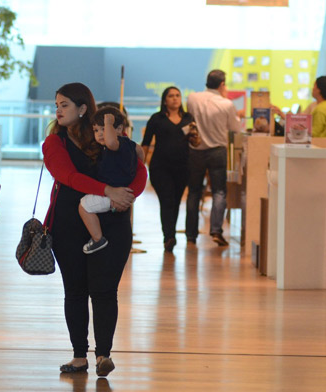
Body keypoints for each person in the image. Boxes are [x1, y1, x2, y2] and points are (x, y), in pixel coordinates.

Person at [42, 83, 147, 377]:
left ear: (83, 108)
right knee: (75, 290)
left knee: (104, 291)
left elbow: (138, 167)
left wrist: (127, 196)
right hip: (68, 224)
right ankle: (79, 355)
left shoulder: (106, 134)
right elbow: (68, 176)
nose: (58, 110)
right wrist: (107, 190)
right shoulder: (54, 142)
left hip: (112, 221)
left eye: (64, 105)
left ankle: (103, 355)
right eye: (57, 105)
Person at [185, 69, 241, 247]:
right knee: (219, 192)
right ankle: (216, 230)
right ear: (222, 84)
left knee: (194, 192)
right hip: (217, 151)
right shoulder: (226, 104)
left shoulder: (193, 98)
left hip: (195, 150)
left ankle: (191, 234)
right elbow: (235, 128)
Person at [141, 86, 200, 252]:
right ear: (164, 100)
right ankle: (168, 237)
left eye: (177, 95)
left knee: (175, 201)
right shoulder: (156, 118)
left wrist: (195, 137)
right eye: (171, 96)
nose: (175, 98)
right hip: (160, 167)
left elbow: (196, 142)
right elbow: (145, 142)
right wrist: (140, 165)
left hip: (183, 166)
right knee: (166, 200)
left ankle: (170, 234)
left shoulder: (188, 118)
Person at [78, 107, 144, 255]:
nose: (100, 134)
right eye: (96, 130)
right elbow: (140, 151)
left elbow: (111, 142)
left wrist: (109, 123)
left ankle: (97, 238)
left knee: (84, 206)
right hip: (115, 192)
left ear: (119, 129)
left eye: (104, 129)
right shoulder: (130, 145)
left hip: (112, 193)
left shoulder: (116, 145)